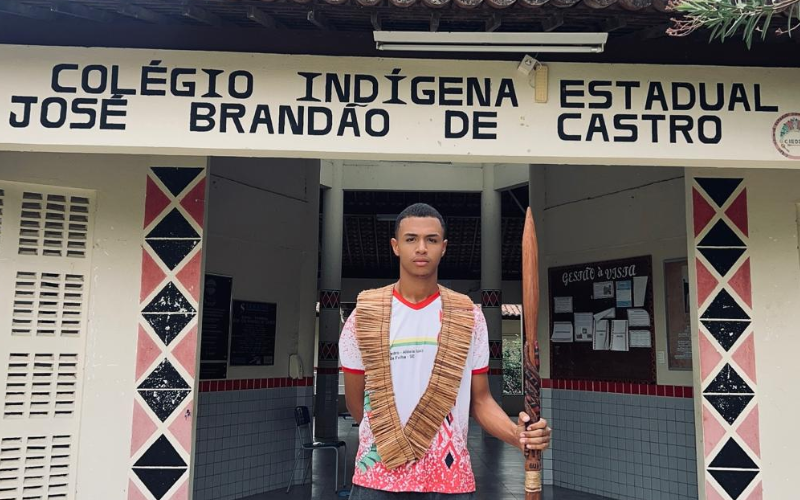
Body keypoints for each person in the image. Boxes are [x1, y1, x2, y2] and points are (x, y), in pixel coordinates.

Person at [339, 203, 551, 499]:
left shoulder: (468, 316)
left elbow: (480, 400)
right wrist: (392, 440)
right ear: (395, 246)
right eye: (411, 239)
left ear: (444, 247)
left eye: (432, 240)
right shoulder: (363, 317)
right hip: (377, 479)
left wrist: (517, 435)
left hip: (449, 482)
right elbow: (356, 405)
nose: (421, 248)